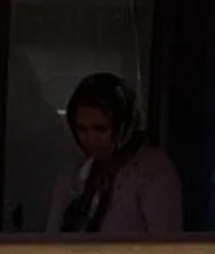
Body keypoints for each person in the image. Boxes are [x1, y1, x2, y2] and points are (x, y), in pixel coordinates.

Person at [48, 73, 182, 237]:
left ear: (123, 126)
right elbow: (53, 234)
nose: (91, 139)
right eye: (82, 129)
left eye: (101, 129)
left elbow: (165, 244)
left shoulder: (153, 170)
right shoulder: (75, 169)